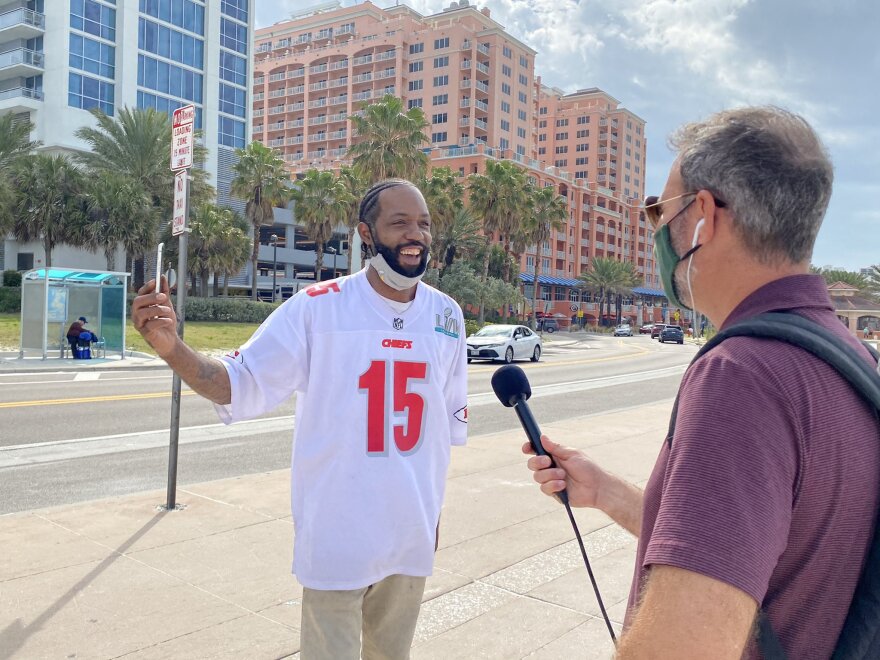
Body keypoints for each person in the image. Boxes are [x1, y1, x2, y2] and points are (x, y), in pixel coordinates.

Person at [524, 107, 879, 659]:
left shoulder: (743, 373)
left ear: (703, 217)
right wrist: (607, 493)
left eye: (658, 211)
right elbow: (754, 553)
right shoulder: (854, 359)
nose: (657, 231)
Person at [132, 179, 467, 660]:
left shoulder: (447, 316)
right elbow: (237, 384)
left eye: (424, 223)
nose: (416, 234)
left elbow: (440, 435)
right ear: (366, 234)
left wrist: (432, 517)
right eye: (400, 223)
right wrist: (172, 348)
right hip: (338, 536)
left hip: (409, 538)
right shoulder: (317, 308)